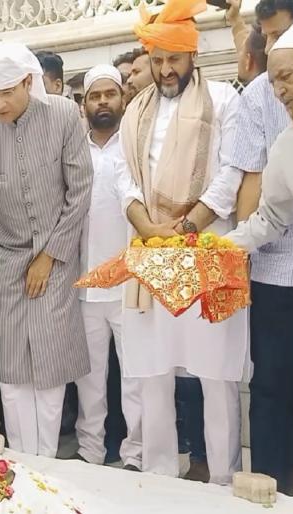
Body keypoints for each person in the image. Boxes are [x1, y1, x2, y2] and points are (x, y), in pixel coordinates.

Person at [117, 0, 247, 484]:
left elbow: (232, 172)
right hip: (152, 251)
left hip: (207, 247)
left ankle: (223, 478)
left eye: (174, 58)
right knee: (153, 369)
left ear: (193, 55)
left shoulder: (224, 101)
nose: (166, 69)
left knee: (216, 370)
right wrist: (149, 227)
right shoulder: (136, 110)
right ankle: (157, 474)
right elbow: (124, 177)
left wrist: (188, 226)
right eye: (158, 60)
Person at [0, 42, 93, 457]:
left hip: (56, 255)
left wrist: (49, 257)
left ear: (28, 83)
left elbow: (80, 191)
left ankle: (46, 461)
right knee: (11, 365)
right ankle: (21, 460)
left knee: (49, 362)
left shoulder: (63, 115)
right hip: (6, 256)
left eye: (6, 93)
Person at [228, 23, 293, 501]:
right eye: (272, 83)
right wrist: (220, 247)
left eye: (285, 77)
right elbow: (270, 218)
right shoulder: (289, 144)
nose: (278, 91)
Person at [74, 64, 143, 470]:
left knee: (135, 376)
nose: (102, 102)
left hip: (129, 283)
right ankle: (90, 452)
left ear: (122, 98)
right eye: (95, 96)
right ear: (83, 103)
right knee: (89, 379)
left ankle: (135, 454)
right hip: (84, 283)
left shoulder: (134, 146)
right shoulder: (74, 150)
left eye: (109, 94)